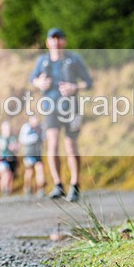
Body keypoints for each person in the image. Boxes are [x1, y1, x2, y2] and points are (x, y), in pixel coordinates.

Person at [29, 27, 93, 203]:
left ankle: (75, 184)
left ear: (64, 41)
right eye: (53, 39)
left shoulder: (73, 60)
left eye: (59, 38)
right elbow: (33, 79)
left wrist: (74, 87)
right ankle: (58, 184)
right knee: (53, 144)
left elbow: (88, 82)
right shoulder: (42, 61)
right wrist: (39, 83)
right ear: (48, 42)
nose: (56, 42)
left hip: (71, 107)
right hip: (50, 107)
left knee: (71, 145)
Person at [19, 115, 46, 196]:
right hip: (29, 153)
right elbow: (22, 140)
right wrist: (33, 138)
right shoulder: (26, 128)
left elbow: (43, 138)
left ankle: (40, 189)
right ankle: (27, 188)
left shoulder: (40, 128)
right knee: (29, 171)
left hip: (38, 153)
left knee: (40, 169)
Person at [0, 121, 19, 196]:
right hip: (2, 160)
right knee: (5, 174)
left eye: (9, 128)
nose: (8, 130)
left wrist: (15, 148)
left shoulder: (13, 138)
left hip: (11, 159)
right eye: (6, 129)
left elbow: (18, 148)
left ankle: (8, 191)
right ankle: (4, 190)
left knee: (10, 176)